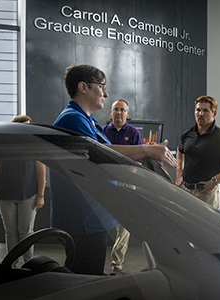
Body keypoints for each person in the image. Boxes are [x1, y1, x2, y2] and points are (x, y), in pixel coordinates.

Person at [51, 64, 177, 275]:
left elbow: (104, 155)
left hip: (91, 215)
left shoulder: (88, 121)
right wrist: (146, 149)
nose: (106, 93)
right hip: (82, 218)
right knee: (85, 278)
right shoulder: (73, 119)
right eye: (101, 86)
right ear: (83, 87)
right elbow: (101, 152)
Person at [0, 115, 46, 267]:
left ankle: (29, 263)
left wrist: (41, 196)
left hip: (28, 194)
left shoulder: (35, 145)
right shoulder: (3, 145)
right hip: (5, 194)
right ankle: (12, 264)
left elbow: (41, 173)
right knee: (10, 232)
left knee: (26, 232)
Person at [175, 95, 220, 210]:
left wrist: (215, 181)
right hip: (185, 190)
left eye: (205, 111)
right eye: (198, 110)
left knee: (202, 228)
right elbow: (180, 151)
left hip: (206, 193)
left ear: (214, 114)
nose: (201, 114)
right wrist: (179, 173)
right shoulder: (187, 134)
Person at [103, 99, 142, 275]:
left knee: (123, 227)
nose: (119, 113)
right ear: (111, 112)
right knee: (101, 222)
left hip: (127, 185)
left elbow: (138, 161)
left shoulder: (134, 134)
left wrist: (127, 179)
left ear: (128, 113)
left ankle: (116, 265)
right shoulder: (102, 131)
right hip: (105, 184)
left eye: (122, 110)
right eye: (116, 109)